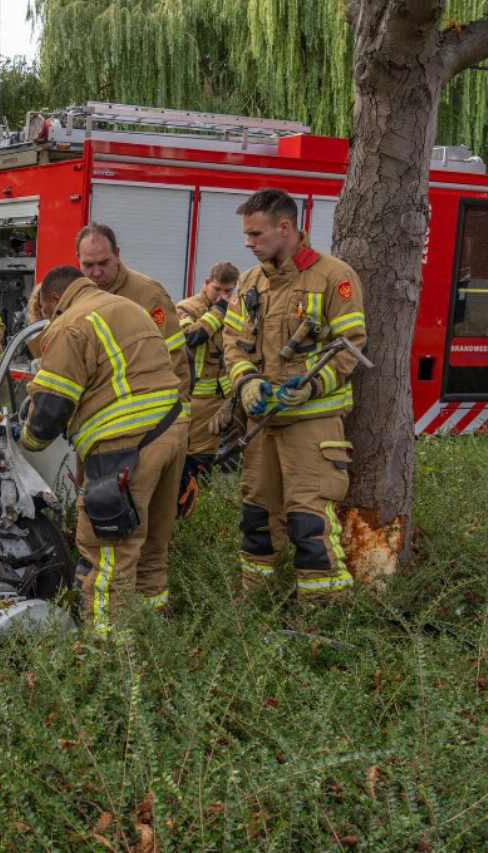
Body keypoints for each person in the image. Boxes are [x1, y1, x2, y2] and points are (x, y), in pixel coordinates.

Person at [20, 265, 187, 633]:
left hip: (124, 449)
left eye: (47, 312)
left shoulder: (71, 324)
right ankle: (153, 632)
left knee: (107, 556)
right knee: (150, 553)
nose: (48, 319)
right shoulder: (127, 307)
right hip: (170, 434)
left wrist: (25, 442)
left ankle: (107, 654)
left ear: (53, 299)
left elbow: (49, 409)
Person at [223, 187, 367, 602]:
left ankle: (322, 620)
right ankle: (256, 607)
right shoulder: (250, 281)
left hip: (312, 428)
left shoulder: (333, 277)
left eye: (255, 234)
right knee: (257, 521)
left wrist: (311, 387)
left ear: (285, 227)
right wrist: (246, 381)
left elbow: (352, 347)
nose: (248, 243)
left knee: (309, 524)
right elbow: (233, 341)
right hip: (261, 426)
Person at [76, 223, 192, 405]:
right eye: (88, 265)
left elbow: (175, 359)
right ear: (78, 260)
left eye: (104, 263)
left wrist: (177, 416)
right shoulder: (75, 297)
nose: (97, 272)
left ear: (117, 254)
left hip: (140, 413)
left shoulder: (149, 295)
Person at [175, 260, 240, 510]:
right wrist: (218, 311)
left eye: (228, 291)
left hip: (225, 398)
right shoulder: (188, 307)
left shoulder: (236, 309)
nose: (223, 296)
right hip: (197, 400)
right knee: (197, 459)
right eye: (218, 290)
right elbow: (189, 337)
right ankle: (191, 509)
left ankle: (207, 509)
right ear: (206, 283)